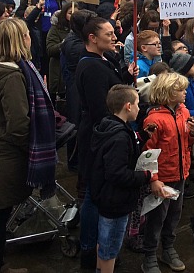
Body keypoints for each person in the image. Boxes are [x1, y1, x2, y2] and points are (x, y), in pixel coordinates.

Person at [0, 18, 55, 273]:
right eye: (26, 34)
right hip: (4, 152)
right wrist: (32, 150)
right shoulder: (11, 76)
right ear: (20, 39)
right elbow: (19, 124)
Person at [75, 17, 138, 269]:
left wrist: (125, 75)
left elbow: (111, 89)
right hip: (99, 138)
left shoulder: (104, 60)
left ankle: (102, 249)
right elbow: (101, 107)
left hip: (106, 134)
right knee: (93, 194)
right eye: (109, 33)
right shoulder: (90, 67)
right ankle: (91, 251)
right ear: (92, 37)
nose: (115, 37)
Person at [90, 85, 152, 273]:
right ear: (128, 106)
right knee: (111, 247)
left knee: (104, 241)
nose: (139, 108)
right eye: (137, 104)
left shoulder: (109, 125)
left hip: (106, 198)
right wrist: (145, 176)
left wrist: (142, 136)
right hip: (116, 201)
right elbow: (117, 173)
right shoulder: (120, 137)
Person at [141, 72, 193, 273]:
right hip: (162, 177)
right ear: (168, 93)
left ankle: (168, 248)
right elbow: (148, 153)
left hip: (180, 173)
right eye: (180, 89)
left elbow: (186, 143)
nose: (185, 92)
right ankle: (150, 255)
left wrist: (192, 135)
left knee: (174, 214)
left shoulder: (184, 113)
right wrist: (153, 179)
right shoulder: (154, 120)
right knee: (157, 218)